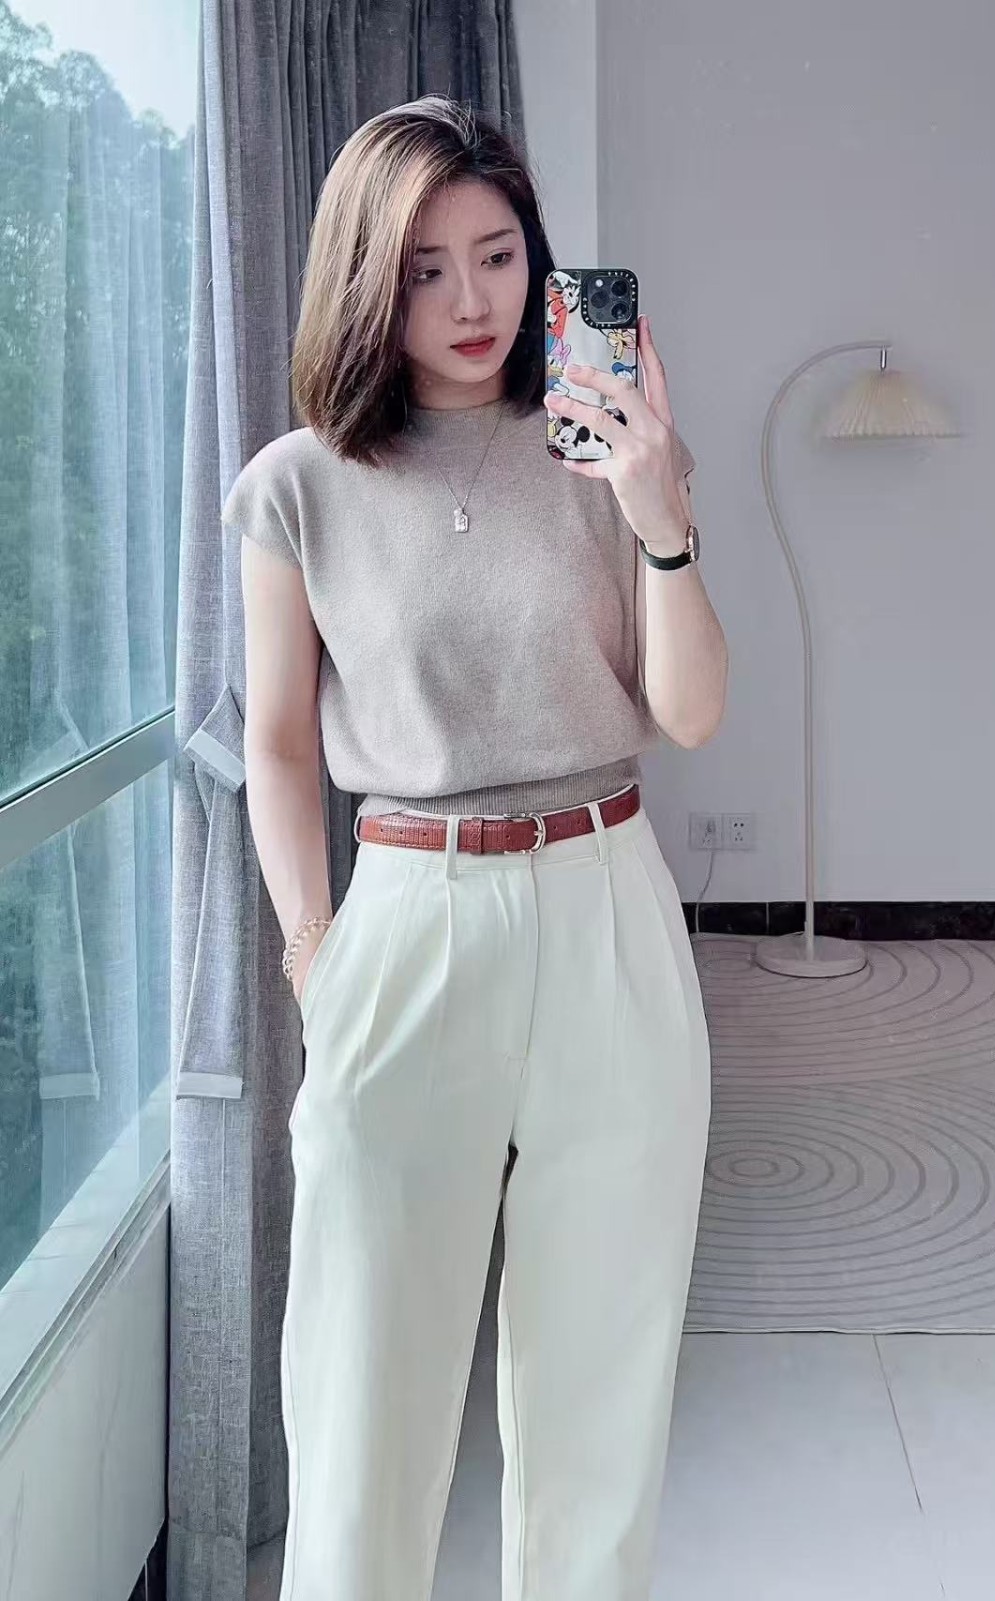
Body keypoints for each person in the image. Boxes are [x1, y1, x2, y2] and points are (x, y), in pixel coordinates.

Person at [227, 92, 728, 1601]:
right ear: (364, 277)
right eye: (426, 266)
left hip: (606, 902)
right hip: (407, 916)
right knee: (363, 1393)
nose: (472, 300)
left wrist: (658, 511)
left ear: (539, 258)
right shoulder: (298, 483)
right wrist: (314, 953)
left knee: (599, 1391)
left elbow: (690, 712)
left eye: (500, 255)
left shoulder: (609, 451)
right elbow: (276, 740)